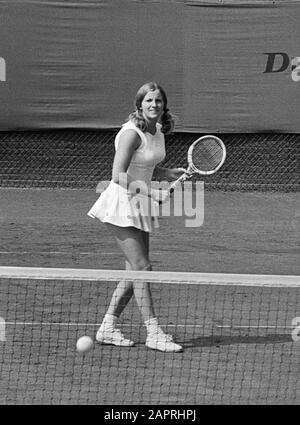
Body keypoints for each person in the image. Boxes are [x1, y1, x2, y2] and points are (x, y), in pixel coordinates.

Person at [88, 82, 185, 352]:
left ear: (164, 105)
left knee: (134, 270)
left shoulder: (157, 131)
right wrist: (153, 193)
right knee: (142, 267)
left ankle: (107, 326)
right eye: (149, 101)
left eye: (158, 101)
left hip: (140, 204)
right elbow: (118, 174)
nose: (154, 105)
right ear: (139, 105)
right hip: (121, 204)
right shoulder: (130, 133)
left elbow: (145, 165)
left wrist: (166, 173)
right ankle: (154, 332)